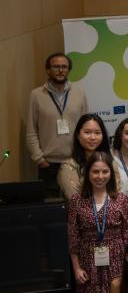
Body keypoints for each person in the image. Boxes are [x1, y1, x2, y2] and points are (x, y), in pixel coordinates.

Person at [68, 152, 128, 293]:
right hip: (88, 262)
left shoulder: (121, 199)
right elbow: (73, 236)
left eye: (105, 171)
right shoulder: (76, 201)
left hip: (117, 261)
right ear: (88, 173)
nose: (100, 176)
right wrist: (77, 268)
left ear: (111, 173)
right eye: (95, 171)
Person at [27, 52, 89, 198]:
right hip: (49, 165)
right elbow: (31, 130)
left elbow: (87, 128)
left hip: (75, 161)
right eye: (56, 67)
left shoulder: (80, 93)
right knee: (51, 210)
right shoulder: (36, 95)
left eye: (64, 67)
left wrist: (84, 156)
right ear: (48, 70)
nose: (61, 70)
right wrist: (39, 160)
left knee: (77, 206)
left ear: (68, 70)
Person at [58, 114, 113, 200]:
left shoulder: (111, 161)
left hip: (112, 211)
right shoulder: (68, 167)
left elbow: (116, 193)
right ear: (78, 135)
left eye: (97, 133)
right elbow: (75, 200)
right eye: (87, 132)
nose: (93, 137)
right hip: (83, 212)